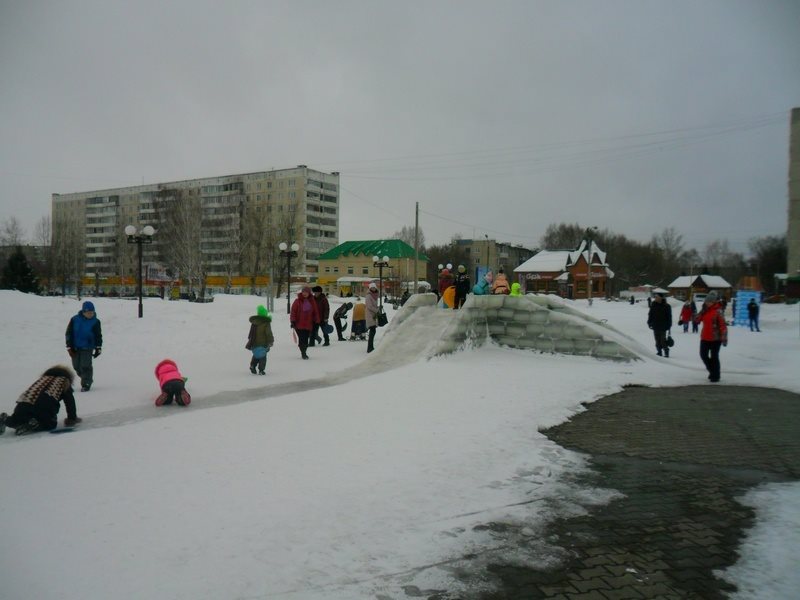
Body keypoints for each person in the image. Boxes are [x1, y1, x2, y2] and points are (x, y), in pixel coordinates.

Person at [0, 365, 81, 435]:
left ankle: (6, 419)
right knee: (50, 424)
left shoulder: (43, 379)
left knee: (17, 420)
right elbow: (70, 402)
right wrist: (72, 418)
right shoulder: (64, 382)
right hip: (44, 405)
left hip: (24, 402)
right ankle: (35, 425)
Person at [65, 300, 103, 392]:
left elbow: (98, 335)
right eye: (88, 313)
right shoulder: (74, 319)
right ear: (83, 312)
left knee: (85, 365)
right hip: (75, 347)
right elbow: (69, 333)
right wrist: (69, 346)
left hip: (88, 347)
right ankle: (86, 377)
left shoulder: (96, 322)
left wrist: (98, 347)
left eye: (92, 312)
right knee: (76, 366)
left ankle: (86, 382)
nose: (90, 314)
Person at [693, 291, 728, 382]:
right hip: (705, 337)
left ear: (714, 302)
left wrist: (724, 337)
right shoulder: (704, 310)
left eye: (709, 302)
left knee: (714, 357)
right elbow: (697, 320)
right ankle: (713, 371)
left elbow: (723, 325)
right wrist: (696, 314)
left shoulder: (718, 311)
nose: (707, 303)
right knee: (703, 355)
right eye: (706, 301)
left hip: (716, 338)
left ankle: (715, 375)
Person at [290, 286, 320, 359]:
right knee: (301, 339)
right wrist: (292, 321)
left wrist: (317, 321)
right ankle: (303, 353)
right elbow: (293, 311)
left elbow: (315, 312)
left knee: (305, 340)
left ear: (309, 293)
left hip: (308, 324)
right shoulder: (297, 301)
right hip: (298, 324)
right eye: (303, 292)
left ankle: (304, 351)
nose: (304, 293)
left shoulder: (312, 302)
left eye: (306, 292)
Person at [246, 305, 274, 374]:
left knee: (256, 355)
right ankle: (261, 370)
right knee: (263, 356)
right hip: (263, 343)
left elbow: (251, 333)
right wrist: (271, 341)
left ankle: (252, 365)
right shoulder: (266, 323)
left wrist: (250, 340)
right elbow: (268, 333)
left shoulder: (254, 322)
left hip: (254, 342)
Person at [647, 293, 672, 357]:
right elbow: (650, 314)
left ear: (661, 298)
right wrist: (649, 322)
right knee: (657, 340)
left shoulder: (667, 306)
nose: (655, 298)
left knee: (663, 341)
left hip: (663, 326)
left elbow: (669, 316)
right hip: (655, 325)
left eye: (657, 297)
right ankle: (659, 352)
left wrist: (669, 325)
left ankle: (666, 352)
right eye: (655, 297)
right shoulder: (653, 305)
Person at [365, 282, 380, 353]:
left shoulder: (375, 295)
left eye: (374, 287)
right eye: (372, 288)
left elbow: (374, 305)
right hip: (370, 315)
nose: (373, 289)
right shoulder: (368, 296)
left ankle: (371, 347)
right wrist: (377, 310)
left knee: (373, 331)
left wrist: (378, 308)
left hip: (373, 315)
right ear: (370, 288)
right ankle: (369, 348)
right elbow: (369, 306)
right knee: (372, 330)